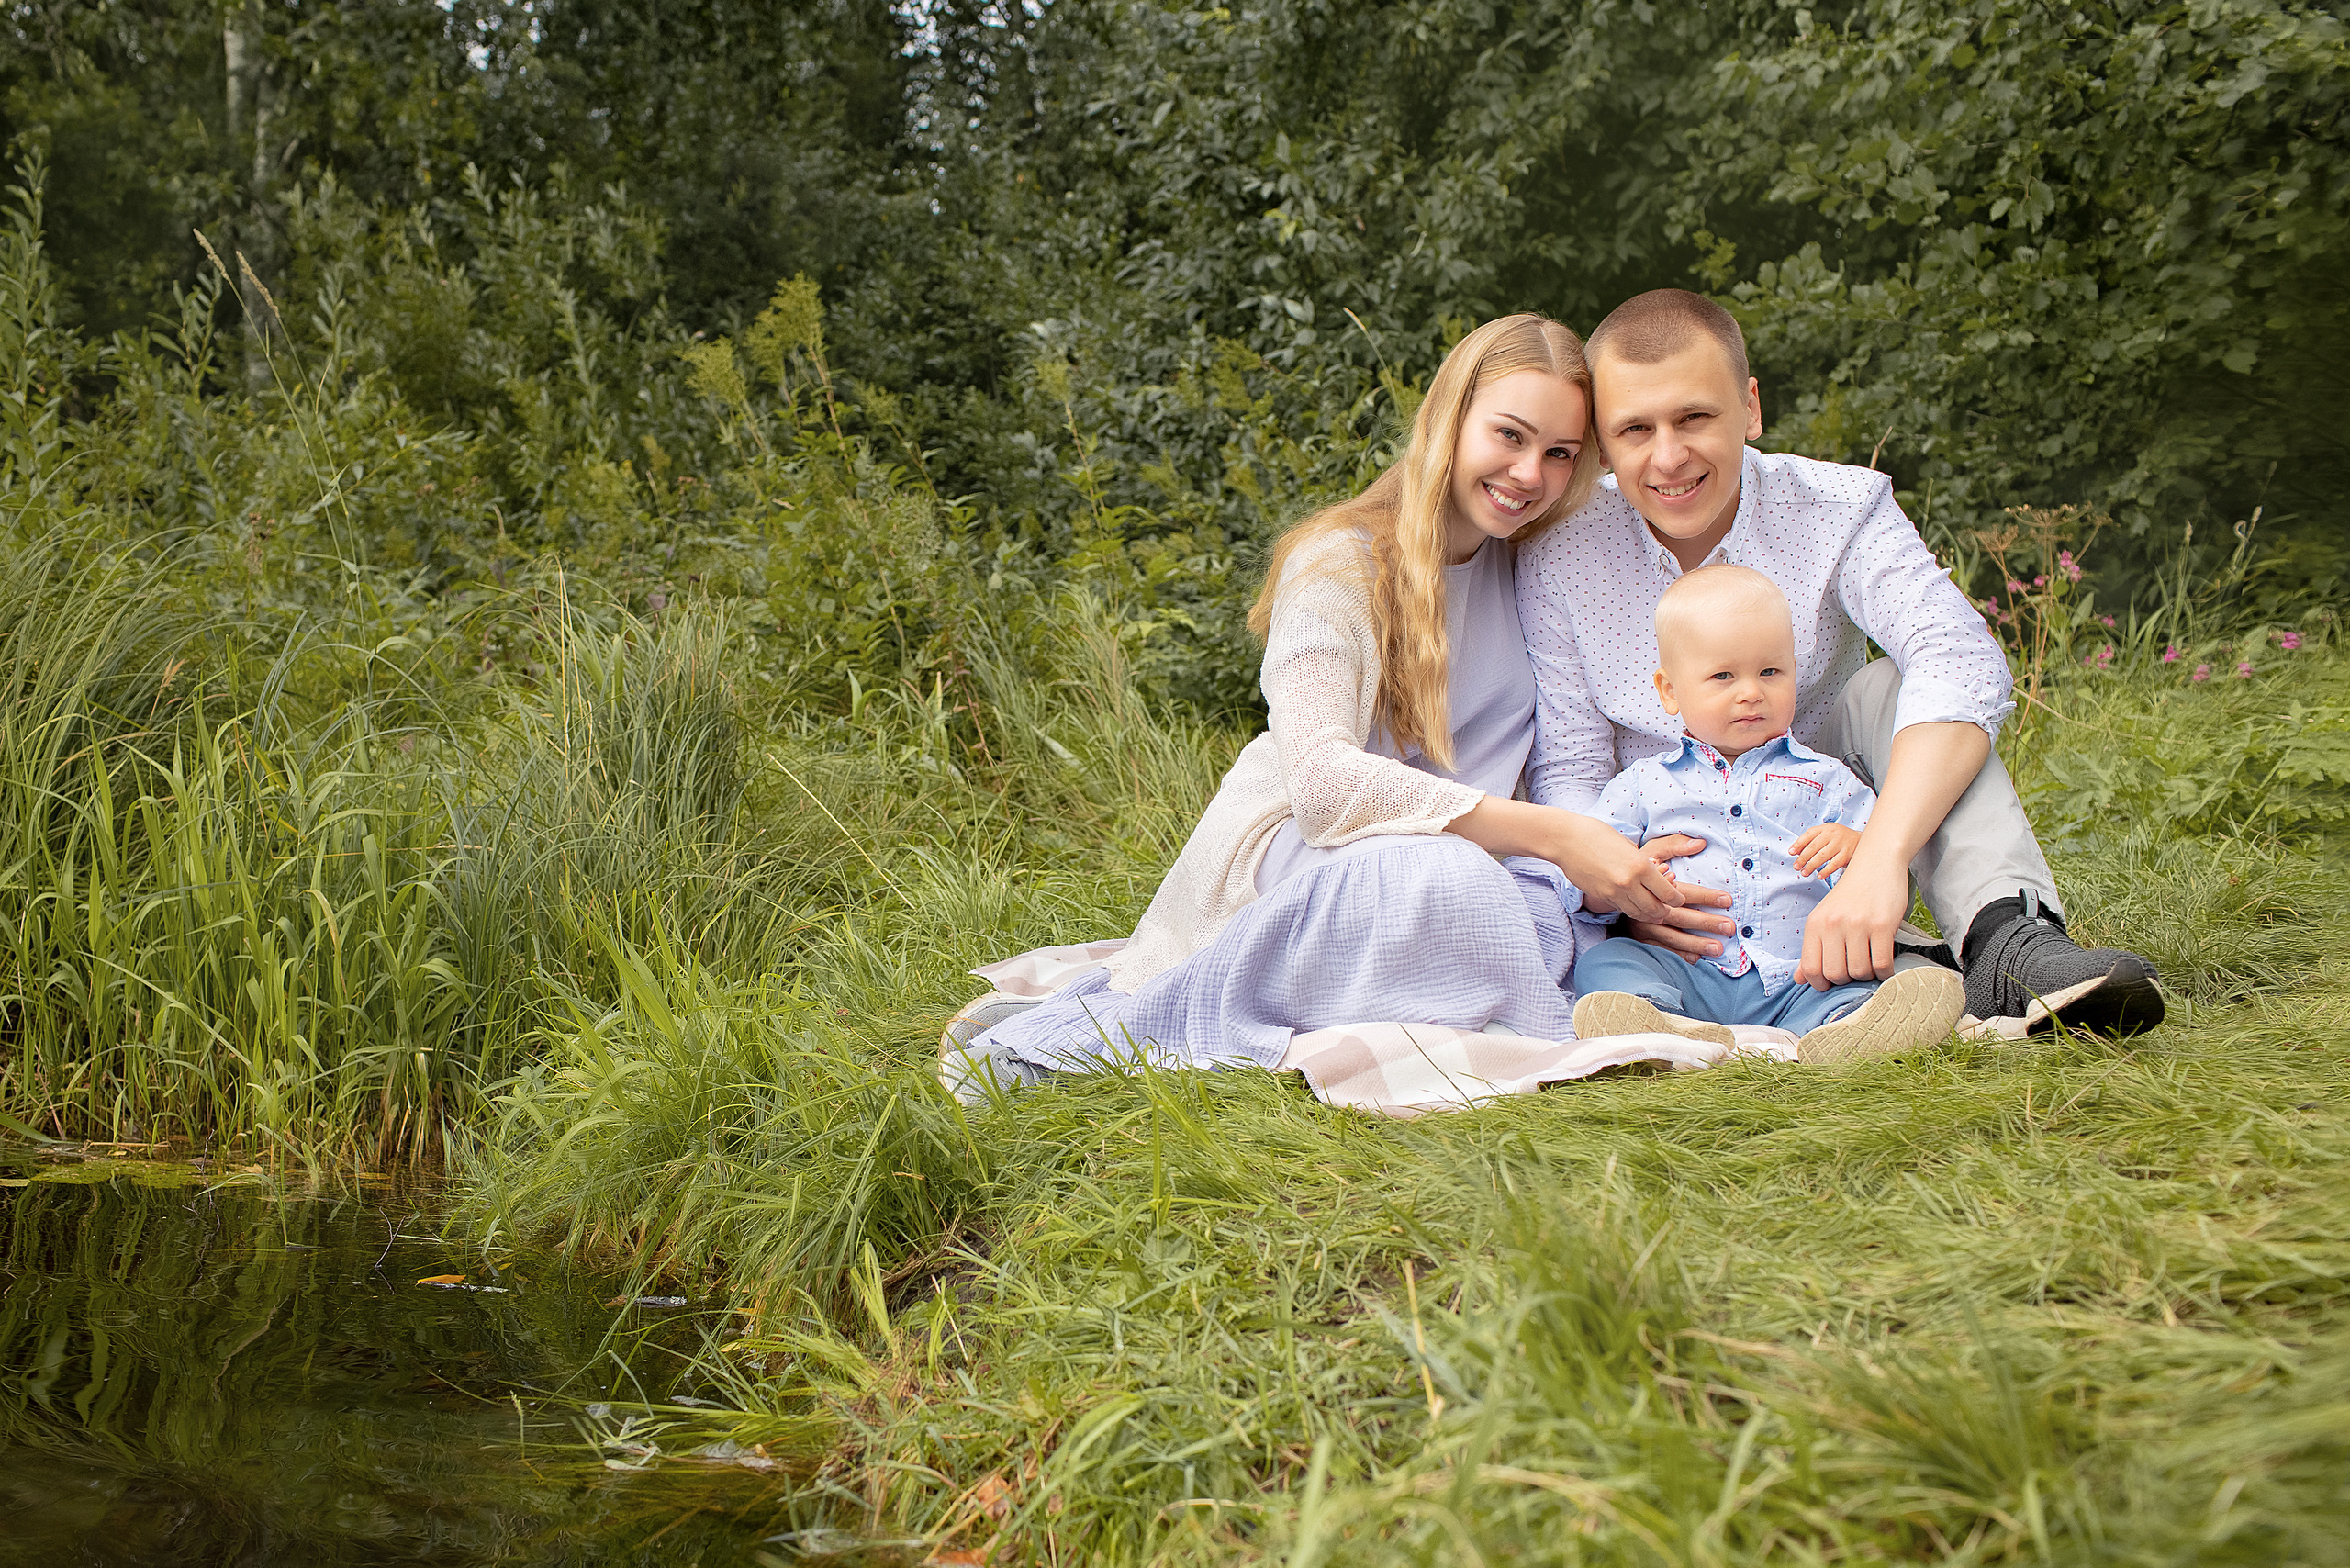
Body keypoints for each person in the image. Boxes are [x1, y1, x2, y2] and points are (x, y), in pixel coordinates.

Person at [944, 314, 1709, 1099]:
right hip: (1315, 855)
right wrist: (1554, 835)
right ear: (1448, 420)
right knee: (1449, 886)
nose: (1528, 473)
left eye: (1558, 454)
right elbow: (1322, 786)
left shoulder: (1532, 562)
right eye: (1508, 436)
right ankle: (1088, 1038)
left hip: (1478, 865)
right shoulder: (1340, 562)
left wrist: (1606, 864)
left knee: (1546, 923)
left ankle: (1382, 996)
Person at [1518, 289, 2164, 1036]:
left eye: (1695, 417)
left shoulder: (1838, 506)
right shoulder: (1558, 551)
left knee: (1891, 684)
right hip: (1665, 881)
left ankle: (2006, 946)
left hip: (1821, 841)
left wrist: (1879, 857)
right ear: (1602, 439)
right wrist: (1619, 881)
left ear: (1750, 409)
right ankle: (1667, 1004)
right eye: (1634, 429)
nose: (1668, 457)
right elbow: (1570, 767)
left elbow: (1958, 655)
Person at [1569, 564, 1968, 1065]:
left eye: (1770, 672)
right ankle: (1659, 1023)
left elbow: (1891, 873)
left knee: (1884, 973)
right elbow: (1585, 874)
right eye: (1722, 676)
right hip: (1688, 968)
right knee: (1609, 962)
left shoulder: (1827, 779)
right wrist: (1624, 877)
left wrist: (1857, 845)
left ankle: (1838, 1033)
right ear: (1670, 691)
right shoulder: (1645, 784)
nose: (1751, 691)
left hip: (1804, 973)